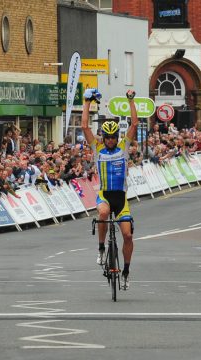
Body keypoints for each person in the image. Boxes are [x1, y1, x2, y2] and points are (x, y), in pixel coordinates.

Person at [81, 88, 138, 291]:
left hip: (121, 198)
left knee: (128, 236)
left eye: (114, 137)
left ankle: (126, 271)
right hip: (105, 195)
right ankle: (101, 247)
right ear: (104, 137)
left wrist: (131, 101)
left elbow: (134, 124)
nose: (112, 140)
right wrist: (87, 101)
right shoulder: (97, 148)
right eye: (109, 137)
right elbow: (85, 126)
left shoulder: (123, 147)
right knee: (103, 213)